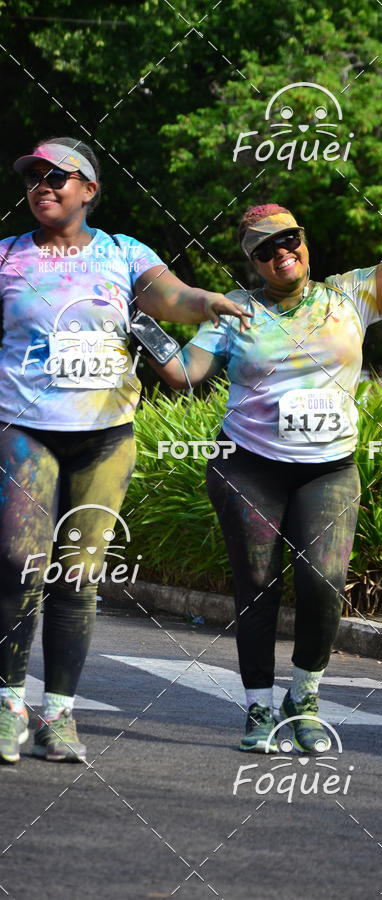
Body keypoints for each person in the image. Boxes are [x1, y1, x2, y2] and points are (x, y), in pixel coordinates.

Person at [154, 136, 382, 752]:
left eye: (290, 240)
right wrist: (149, 340)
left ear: (304, 244)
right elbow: (187, 375)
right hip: (249, 466)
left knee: (323, 581)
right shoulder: (234, 310)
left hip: (327, 469)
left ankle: (305, 697)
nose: (281, 253)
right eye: (266, 250)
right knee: (257, 581)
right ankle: (259, 706)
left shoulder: (350, 295)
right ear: (254, 264)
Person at [0, 137, 248, 764]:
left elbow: (173, 298)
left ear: (90, 190)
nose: (44, 186)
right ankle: (7, 703)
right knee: (17, 559)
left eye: (60, 176)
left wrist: (208, 303)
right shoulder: (6, 257)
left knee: (77, 575)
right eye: (34, 177)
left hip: (105, 437)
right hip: (23, 429)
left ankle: (58, 714)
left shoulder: (122, 253)